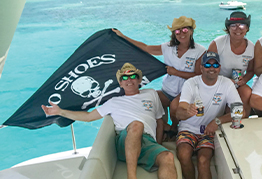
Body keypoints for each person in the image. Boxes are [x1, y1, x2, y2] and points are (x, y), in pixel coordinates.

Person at [41, 63, 177, 179]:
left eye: (133, 76)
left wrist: (159, 145)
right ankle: (132, 176)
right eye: (124, 77)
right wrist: (60, 112)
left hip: (148, 141)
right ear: (120, 83)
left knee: (168, 157)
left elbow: (159, 121)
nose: (129, 80)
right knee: (137, 125)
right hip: (126, 139)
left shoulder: (151, 93)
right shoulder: (113, 102)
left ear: (139, 79)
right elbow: (88, 117)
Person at [112, 16, 206, 140]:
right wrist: (123, 37)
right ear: (174, 33)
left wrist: (176, 72)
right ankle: (163, 129)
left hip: (186, 92)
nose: (181, 34)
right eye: (177, 31)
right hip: (168, 89)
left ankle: (175, 128)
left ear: (191, 31)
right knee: (154, 100)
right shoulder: (167, 47)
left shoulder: (200, 51)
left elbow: (198, 76)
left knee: (174, 106)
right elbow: (145, 48)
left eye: (185, 30)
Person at [175, 52, 242, 179]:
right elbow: (179, 112)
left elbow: (240, 111)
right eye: (207, 65)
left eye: (215, 64)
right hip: (188, 128)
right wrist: (187, 112)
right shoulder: (190, 83)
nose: (212, 68)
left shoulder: (227, 84)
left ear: (219, 67)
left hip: (209, 131)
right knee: (183, 155)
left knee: (203, 160)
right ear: (201, 68)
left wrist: (217, 121)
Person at [207, 11, 254, 118]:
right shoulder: (217, 44)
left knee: (247, 92)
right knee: (228, 104)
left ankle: (244, 121)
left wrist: (244, 80)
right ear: (228, 28)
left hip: (236, 83)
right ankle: (223, 122)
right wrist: (224, 81)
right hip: (216, 81)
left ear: (247, 28)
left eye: (242, 25)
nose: (238, 29)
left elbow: (251, 71)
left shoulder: (251, 47)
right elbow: (207, 68)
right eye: (233, 25)